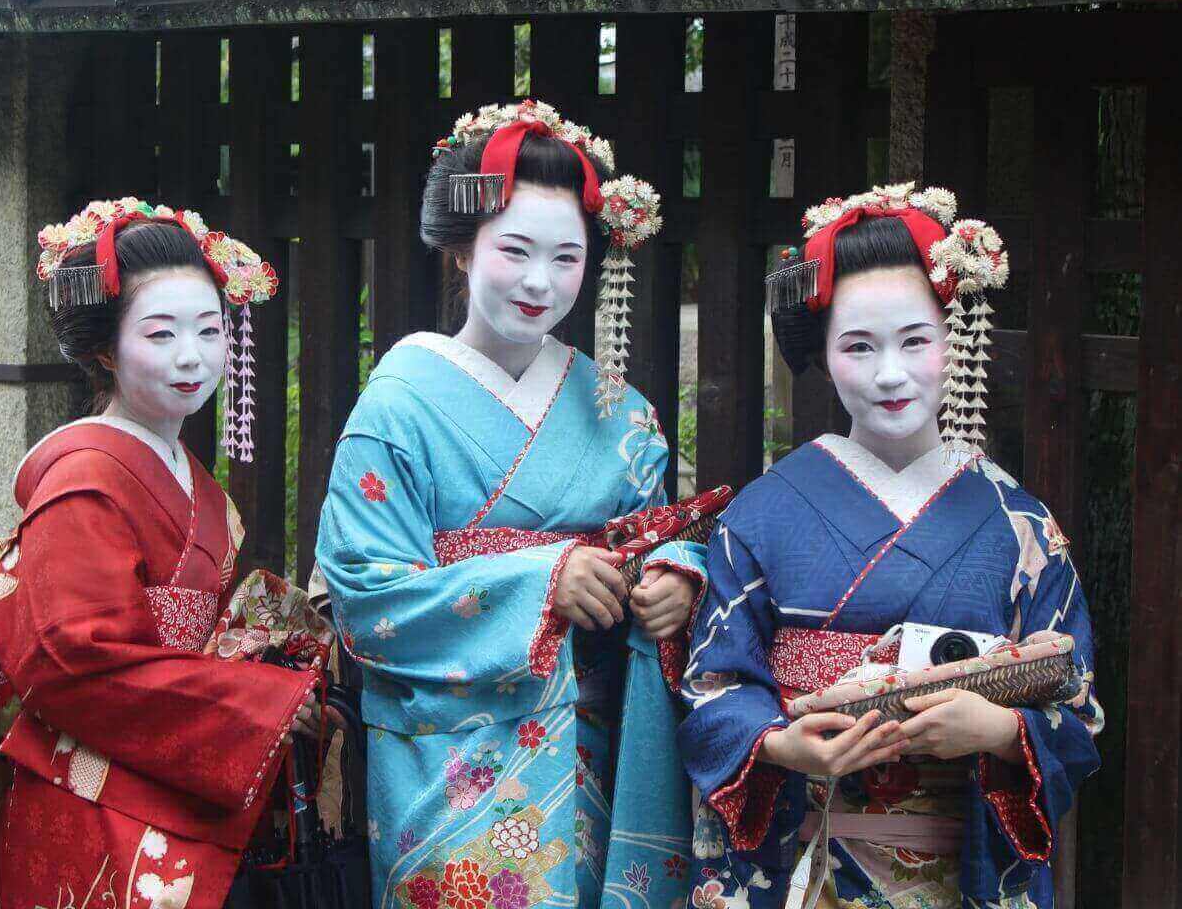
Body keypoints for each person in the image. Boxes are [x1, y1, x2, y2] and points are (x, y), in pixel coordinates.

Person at [314, 100, 711, 908]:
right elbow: (363, 594)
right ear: (462, 250)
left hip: (592, 746)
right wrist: (543, 583)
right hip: (451, 757)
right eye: (514, 251)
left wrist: (676, 576)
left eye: (567, 258)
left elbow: (662, 531)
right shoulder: (398, 403)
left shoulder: (622, 411)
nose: (540, 281)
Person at [0, 198, 333, 909]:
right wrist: (256, 704)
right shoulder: (83, 481)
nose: (192, 356)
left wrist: (264, 668)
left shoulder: (190, 478)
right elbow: (72, 657)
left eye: (210, 331)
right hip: (88, 792)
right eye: (160, 334)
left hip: (169, 764)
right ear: (103, 350)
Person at [678, 184, 1103, 909]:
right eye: (858, 346)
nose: (890, 374)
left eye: (916, 340)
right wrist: (782, 745)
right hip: (806, 862)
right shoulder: (764, 513)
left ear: (954, 338)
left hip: (961, 862)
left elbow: (1078, 701)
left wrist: (1001, 729)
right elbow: (711, 685)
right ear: (823, 353)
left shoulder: (1019, 522)